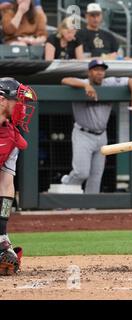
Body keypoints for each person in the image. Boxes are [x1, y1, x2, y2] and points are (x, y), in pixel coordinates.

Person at [60, 59, 132, 194]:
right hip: (83, 134)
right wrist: (84, 86)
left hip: (101, 135)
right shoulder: (83, 82)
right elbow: (65, 80)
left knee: (96, 176)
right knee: (81, 173)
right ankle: (64, 187)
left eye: (102, 70)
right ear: (89, 72)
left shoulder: (108, 83)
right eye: (96, 70)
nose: (99, 73)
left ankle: (90, 207)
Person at [0, 77, 37, 275]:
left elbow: (6, 186)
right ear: (2, 100)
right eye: (18, 101)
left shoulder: (12, 138)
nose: (22, 108)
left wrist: (1, 233)